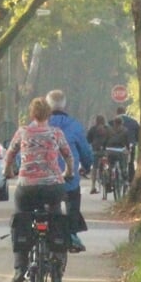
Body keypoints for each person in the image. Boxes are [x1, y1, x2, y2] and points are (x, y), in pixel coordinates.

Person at [3, 97, 73, 282]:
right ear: (49, 114)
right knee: (56, 215)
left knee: (20, 219)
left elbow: (9, 154)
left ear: (31, 114)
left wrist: (8, 171)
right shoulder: (56, 133)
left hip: (28, 188)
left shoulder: (23, 132)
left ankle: (19, 270)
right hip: (53, 187)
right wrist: (68, 172)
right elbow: (68, 155)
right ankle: (57, 258)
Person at [45, 89, 93, 252]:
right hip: (67, 180)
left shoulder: (36, 126)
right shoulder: (74, 126)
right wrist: (86, 166)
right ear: (65, 105)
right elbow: (85, 152)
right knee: (72, 197)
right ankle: (72, 233)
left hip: (41, 182)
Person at [115, 106, 140, 179]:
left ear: (117, 113)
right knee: (130, 163)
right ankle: (130, 180)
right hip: (130, 145)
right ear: (125, 112)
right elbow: (138, 135)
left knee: (116, 161)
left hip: (117, 146)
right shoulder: (134, 122)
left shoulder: (112, 122)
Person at [85, 115, 109, 193]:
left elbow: (88, 140)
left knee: (94, 168)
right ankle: (109, 181)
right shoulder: (107, 129)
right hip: (106, 151)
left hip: (96, 151)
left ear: (96, 121)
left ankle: (93, 186)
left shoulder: (93, 129)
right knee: (110, 164)